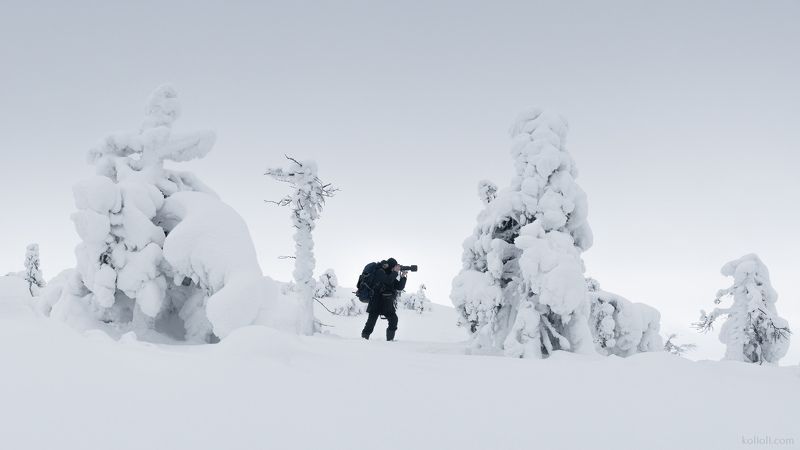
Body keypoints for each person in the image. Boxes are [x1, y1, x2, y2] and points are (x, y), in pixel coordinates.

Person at [361, 258, 408, 341]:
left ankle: (389, 341)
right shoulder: (380, 271)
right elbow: (387, 281)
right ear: (391, 266)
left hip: (387, 302)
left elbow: (399, 287)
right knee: (371, 322)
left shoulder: (391, 274)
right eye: (395, 266)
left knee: (393, 320)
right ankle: (364, 339)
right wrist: (395, 272)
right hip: (376, 301)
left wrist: (403, 277)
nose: (396, 268)